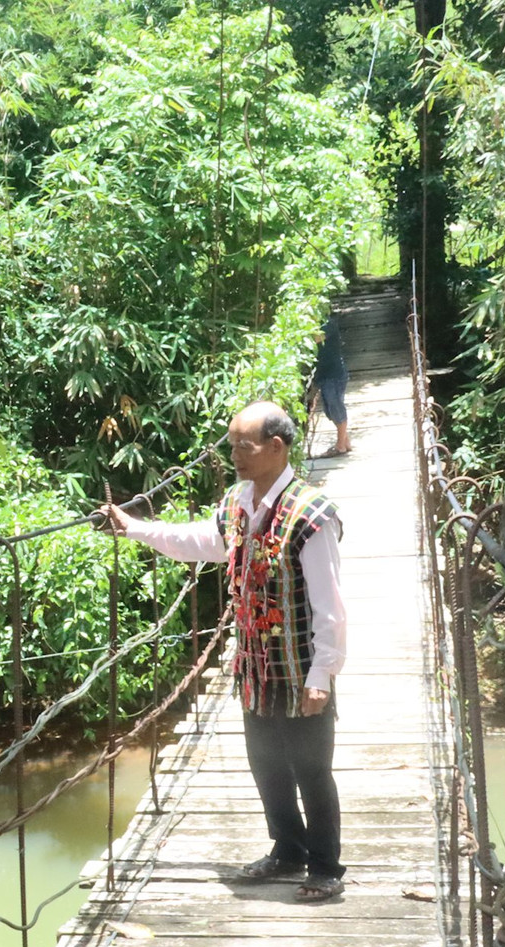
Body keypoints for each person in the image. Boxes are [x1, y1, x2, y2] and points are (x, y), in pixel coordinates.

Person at [101, 402, 347, 901]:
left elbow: (329, 604)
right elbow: (198, 540)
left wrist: (323, 673)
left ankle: (324, 866)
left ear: (276, 448)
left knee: (311, 769)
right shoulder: (238, 503)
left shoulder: (313, 516)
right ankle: (287, 849)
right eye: (232, 443)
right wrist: (134, 527)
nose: (234, 454)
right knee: (265, 762)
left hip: (300, 668)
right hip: (255, 666)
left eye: (244, 445)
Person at [307, 315, 352, 457]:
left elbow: (316, 339)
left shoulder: (328, 323)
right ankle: (345, 441)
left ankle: (340, 446)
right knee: (330, 410)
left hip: (334, 373)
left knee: (336, 407)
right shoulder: (314, 325)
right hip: (324, 374)